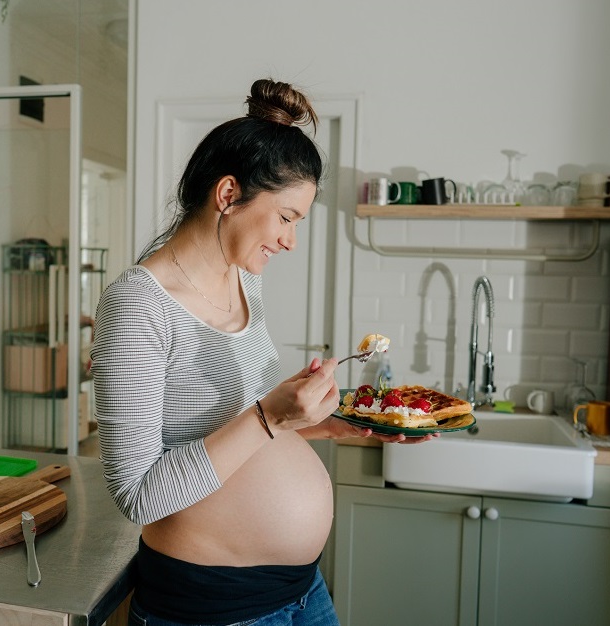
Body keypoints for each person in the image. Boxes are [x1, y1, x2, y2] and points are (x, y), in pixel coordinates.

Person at [91, 78, 436, 626]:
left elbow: (240, 435)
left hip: (302, 590)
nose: (290, 241)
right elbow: (138, 494)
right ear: (228, 195)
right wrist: (271, 413)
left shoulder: (244, 282)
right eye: (286, 217)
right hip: (214, 606)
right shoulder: (138, 304)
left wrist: (327, 425)